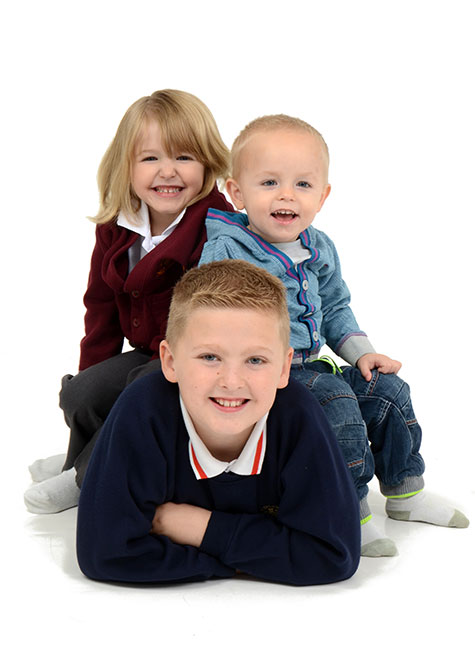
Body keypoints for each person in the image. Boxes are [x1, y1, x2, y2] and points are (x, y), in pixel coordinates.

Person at [199, 114, 469, 557]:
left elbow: (336, 306)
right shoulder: (228, 249)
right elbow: (212, 318)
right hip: (266, 374)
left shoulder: (319, 245)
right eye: (269, 182)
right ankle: (348, 509)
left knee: (387, 392)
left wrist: (362, 354)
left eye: (303, 185)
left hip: (315, 365)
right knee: (337, 404)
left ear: (322, 196)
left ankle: (404, 491)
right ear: (236, 192)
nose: (287, 194)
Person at [76, 259, 360, 585]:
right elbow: (105, 553)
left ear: (283, 368)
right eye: (210, 357)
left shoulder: (298, 416)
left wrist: (201, 528)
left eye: (255, 360)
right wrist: (253, 558)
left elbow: (333, 556)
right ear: (170, 362)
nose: (231, 381)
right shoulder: (143, 410)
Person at [24, 89, 233, 514]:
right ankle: (75, 457)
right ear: (128, 166)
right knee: (83, 392)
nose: (167, 172)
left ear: (209, 164)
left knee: (144, 387)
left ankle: (87, 477)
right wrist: (93, 374)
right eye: (151, 158)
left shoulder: (216, 225)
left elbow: (209, 314)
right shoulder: (116, 225)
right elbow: (99, 306)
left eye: (185, 157)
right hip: (145, 349)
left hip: (192, 357)